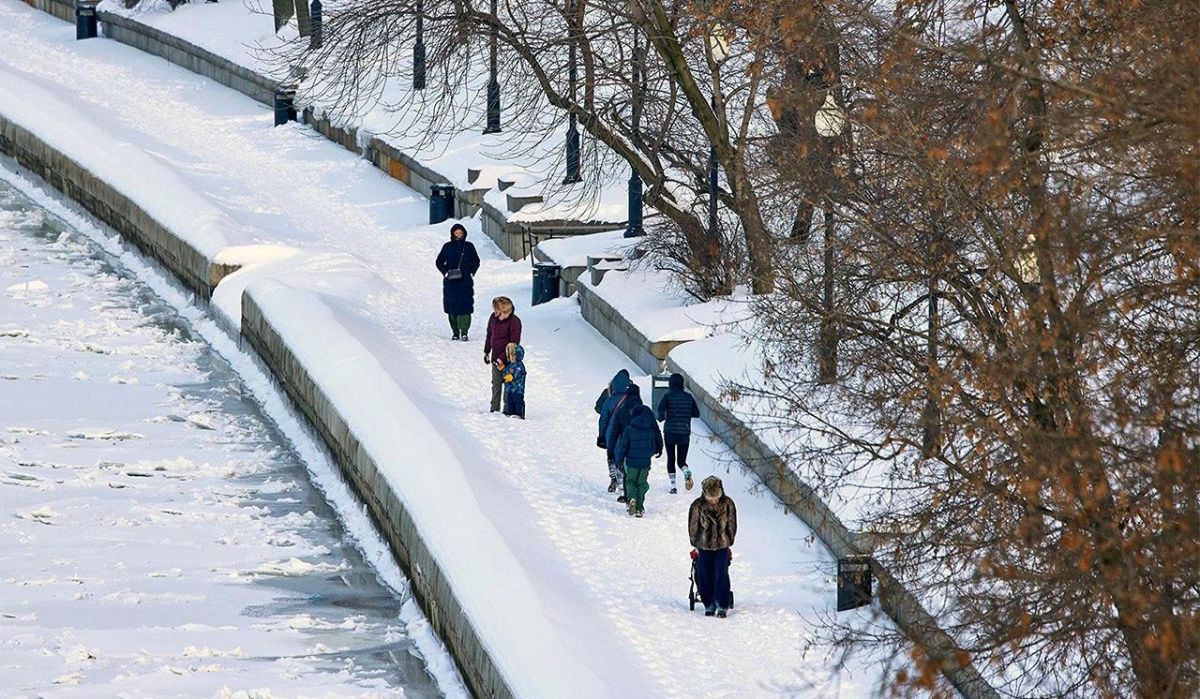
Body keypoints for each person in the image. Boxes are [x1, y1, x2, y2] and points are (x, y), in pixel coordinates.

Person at [688, 476, 737, 617]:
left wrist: (729, 539)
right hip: (704, 546)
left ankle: (722, 604)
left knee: (721, 574)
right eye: (711, 498)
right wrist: (696, 542)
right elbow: (693, 526)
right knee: (705, 574)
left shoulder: (728, 504)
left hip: (722, 545)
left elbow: (732, 524)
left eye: (716, 497)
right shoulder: (697, 506)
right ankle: (708, 603)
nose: (714, 500)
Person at [614, 405, 663, 517]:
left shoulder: (629, 430)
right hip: (645, 463)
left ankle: (632, 499)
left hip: (631, 463)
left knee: (630, 481)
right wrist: (647, 455)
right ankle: (639, 509)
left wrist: (620, 460)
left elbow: (623, 447)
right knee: (641, 484)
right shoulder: (650, 431)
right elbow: (653, 447)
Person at [435, 223, 481, 341]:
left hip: (465, 281)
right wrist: (445, 272)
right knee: (452, 307)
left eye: (460, 233)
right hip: (451, 282)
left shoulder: (469, 246)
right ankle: (455, 331)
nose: (458, 235)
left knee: (465, 306)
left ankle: (464, 332)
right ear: (452, 233)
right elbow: (439, 261)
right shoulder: (447, 247)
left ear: (464, 233)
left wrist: (471, 272)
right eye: (456, 233)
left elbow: (476, 261)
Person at [656, 372, 700, 494]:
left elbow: (660, 411)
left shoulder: (667, 396)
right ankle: (686, 472)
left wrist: (661, 417)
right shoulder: (688, 397)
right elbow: (696, 413)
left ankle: (673, 486)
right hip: (684, 433)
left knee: (671, 459)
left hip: (670, 432)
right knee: (681, 461)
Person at [605, 382, 643, 504]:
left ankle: (627, 494)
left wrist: (610, 450)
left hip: (624, 443)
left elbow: (614, 432)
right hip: (641, 445)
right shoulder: (644, 411)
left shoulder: (620, 411)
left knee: (626, 467)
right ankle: (638, 499)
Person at [484, 296, 522, 413]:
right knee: (496, 384)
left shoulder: (514, 322)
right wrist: (487, 351)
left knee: (508, 384)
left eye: (498, 313)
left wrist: (502, 359)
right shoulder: (493, 318)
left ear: (506, 312)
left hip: (508, 361)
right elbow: (489, 335)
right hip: (495, 358)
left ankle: (508, 409)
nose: (495, 315)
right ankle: (494, 409)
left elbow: (513, 344)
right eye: (495, 312)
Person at [596, 369, 631, 493]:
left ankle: (614, 477)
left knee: (611, 455)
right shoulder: (631, 398)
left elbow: (603, 419)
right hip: (627, 432)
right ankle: (624, 477)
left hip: (612, 433)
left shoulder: (610, 399)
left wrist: (601, 436)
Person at [500, 342, 526, 419]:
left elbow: (515, 375)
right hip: (509, 388)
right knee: (509, 401)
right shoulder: (509, 364)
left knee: (517, 401)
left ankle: (519, 414)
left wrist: (507, 377)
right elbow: (506, 371)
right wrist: (503, 369)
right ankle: (509, 412)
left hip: (517, 389)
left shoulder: (519, 365)